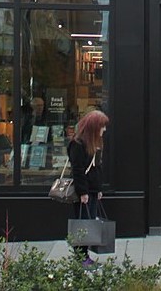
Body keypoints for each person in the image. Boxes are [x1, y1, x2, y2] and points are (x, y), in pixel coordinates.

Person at [66, 109, 108, 267]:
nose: (104, 129)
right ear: (93, 127)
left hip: (92, 190)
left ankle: (84, 256)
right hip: (84, 191)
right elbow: (77, 170)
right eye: (102, 126)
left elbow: (96, 168)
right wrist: (83, 192)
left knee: (88, 223)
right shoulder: (77, 144)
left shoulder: (94, 143)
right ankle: (81, 257)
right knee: (83, 224)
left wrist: (98, 189)